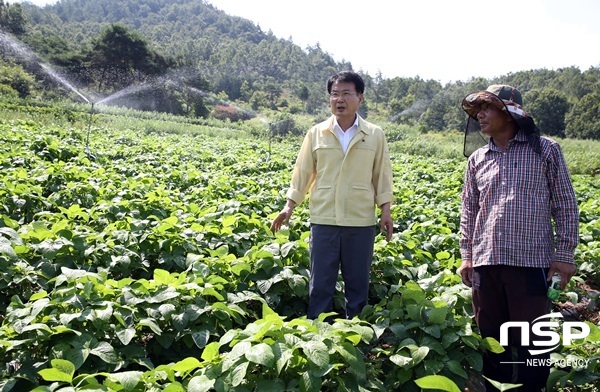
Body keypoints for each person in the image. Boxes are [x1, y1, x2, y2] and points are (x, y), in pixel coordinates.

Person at [458, 85, 579, 391]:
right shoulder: (478, 159)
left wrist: (564, 257)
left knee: (533, 341)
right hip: (486, 262)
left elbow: (564, 204)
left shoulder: (545, 150)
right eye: (478, 111)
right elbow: (468, 212)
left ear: (510, 113)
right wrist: (466, 256)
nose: (480, 116)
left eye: (487, 108)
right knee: (491, 339)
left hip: (530, 262)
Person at [270, 70, 394, 320]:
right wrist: (289, 206)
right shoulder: (316, 133)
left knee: (358, 284)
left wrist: (386, 211)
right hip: (323, 218)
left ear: (360, 98)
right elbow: (302, 171)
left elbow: (382, 173)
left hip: (360, 221)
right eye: (335, 94)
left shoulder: (374, 134)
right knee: (320, 285)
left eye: (347, 94)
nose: (340, 99)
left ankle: (357, 337)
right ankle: (318, 335)